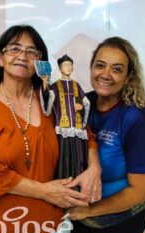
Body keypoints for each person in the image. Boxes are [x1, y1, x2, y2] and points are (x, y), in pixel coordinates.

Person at [0, 25, 87, 233]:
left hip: (52, 227)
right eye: (15, 49)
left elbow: (85, 133)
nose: (22, 56)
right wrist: (45, 191)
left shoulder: (52, 99)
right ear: (0, 58)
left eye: (32, 52)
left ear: (40, 63)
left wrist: (95, 168)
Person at [67, 36, 145, 233]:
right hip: (78, 215)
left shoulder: (139, 119)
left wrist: (90, 211)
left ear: (129, 77)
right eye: (100, 65)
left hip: (120, 220)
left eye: (117, 69)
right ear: (91, 68)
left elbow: (143, 190)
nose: (106, 75)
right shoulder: (82, 104)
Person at [40, 54, 102, 200]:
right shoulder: (55, 86)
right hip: (63, 127)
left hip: (77, 127)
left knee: (78, 157)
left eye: (70, 65)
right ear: (60, 68)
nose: (68, 68)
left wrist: (81, 106)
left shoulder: (76, 85)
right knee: (63, 157)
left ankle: (77, 187)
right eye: (65, 65)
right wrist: (44, 84)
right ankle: (63, 188)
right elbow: (47, 101)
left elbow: (85, 102)